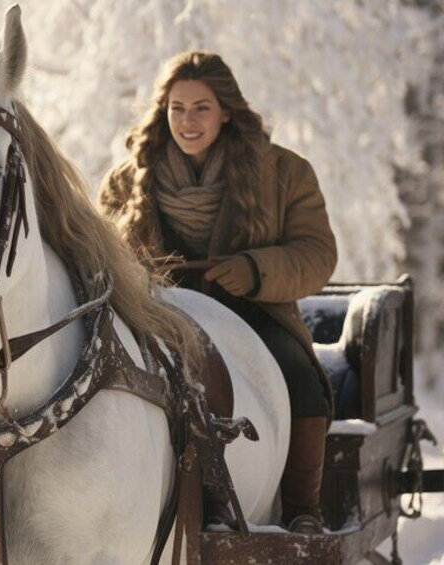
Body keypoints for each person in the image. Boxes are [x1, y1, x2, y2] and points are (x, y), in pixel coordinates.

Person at [97, 51, 337, 534]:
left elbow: (316, 253)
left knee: (300, 377)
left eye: (201, 107)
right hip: (159, 315)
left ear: (226, 110)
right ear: (163, 112)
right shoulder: (127, 179)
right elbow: (99, 256)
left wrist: (254, 269)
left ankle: (301, 511)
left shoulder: (285, 172)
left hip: (252, 311)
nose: (189, 121)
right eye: (177, 108)